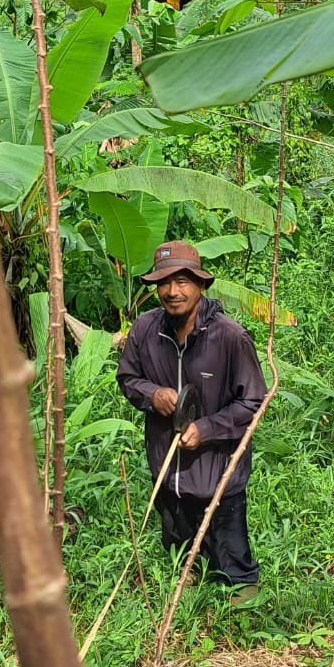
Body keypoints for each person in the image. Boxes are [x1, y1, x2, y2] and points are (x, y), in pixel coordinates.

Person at [117, 241, 266, 596]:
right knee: (180, 563)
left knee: (233, 570)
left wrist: (207, 428)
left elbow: (253, 401)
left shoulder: (230, 338)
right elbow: (127, 378)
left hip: (218, 474)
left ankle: (242, 624)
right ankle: (185, 615)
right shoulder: (145, 330)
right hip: (167, 474)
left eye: (182, 281)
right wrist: (153, 394)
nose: (172, 291)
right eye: (164, 282)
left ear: (200, 285)